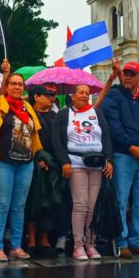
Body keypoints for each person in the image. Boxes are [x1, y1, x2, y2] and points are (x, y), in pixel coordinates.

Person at [0, 69, 43, 262]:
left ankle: (16, 246)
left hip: (25, 164)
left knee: (19, 207)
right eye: (13, 83)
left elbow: (35, 133)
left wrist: (37, 156)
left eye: (20, 84)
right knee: (1, 205)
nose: (17, 87)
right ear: (6, 87)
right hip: (3, 163)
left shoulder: (27, 107)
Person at [100, 62, 139, 258]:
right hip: (123, 155)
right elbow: (113, 126)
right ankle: (121, 242)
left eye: (132, 74)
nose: (127, 77)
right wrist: (130, 147)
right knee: (121, 200)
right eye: (125, 73)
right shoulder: (113, 96)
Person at [51, 84, 113, 260]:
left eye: (87, 93)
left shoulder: (97, 113)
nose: (85, 95)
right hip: (76, 163)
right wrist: (64, 161)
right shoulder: (64, 114)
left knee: (92, 206)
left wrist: (109, 160)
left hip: (96, 165)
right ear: (73, 96)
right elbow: (56, 140)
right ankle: (78, 245)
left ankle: (90, 243)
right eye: (81, 93)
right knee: (81, 204)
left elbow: (106, 136)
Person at [24, 85, 60, 258]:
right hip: (33, 162)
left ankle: (45, 239)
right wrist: (39, 157)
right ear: (36, 97)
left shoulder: (55, 116)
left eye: (52, 95)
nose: (51, 98)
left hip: (53, 165)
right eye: (47, 95)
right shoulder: (28, 114)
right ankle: (31, 239)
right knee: (33, 202)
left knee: (49, 203)